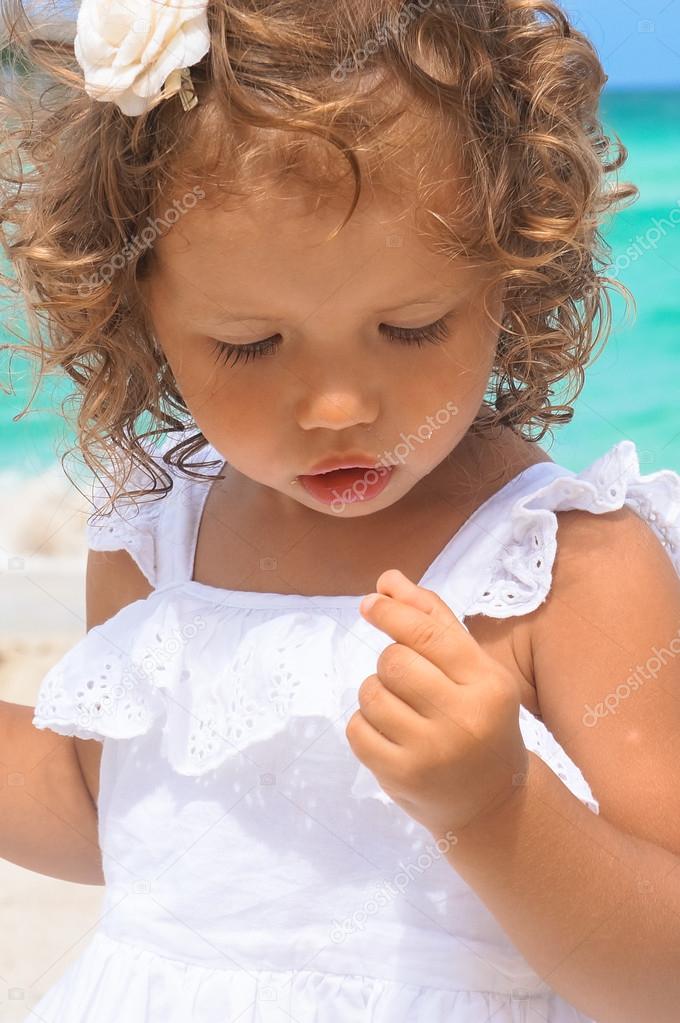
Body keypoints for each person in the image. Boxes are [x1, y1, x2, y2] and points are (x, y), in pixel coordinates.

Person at [1, 1, 679, 1020]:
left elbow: (657, 975)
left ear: (512, 269)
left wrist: (496, 808)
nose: (339, 406)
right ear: (138, 308)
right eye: (250, 344)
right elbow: (120, 811)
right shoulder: (154, 542)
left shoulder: (564, 568)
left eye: (409, 327)